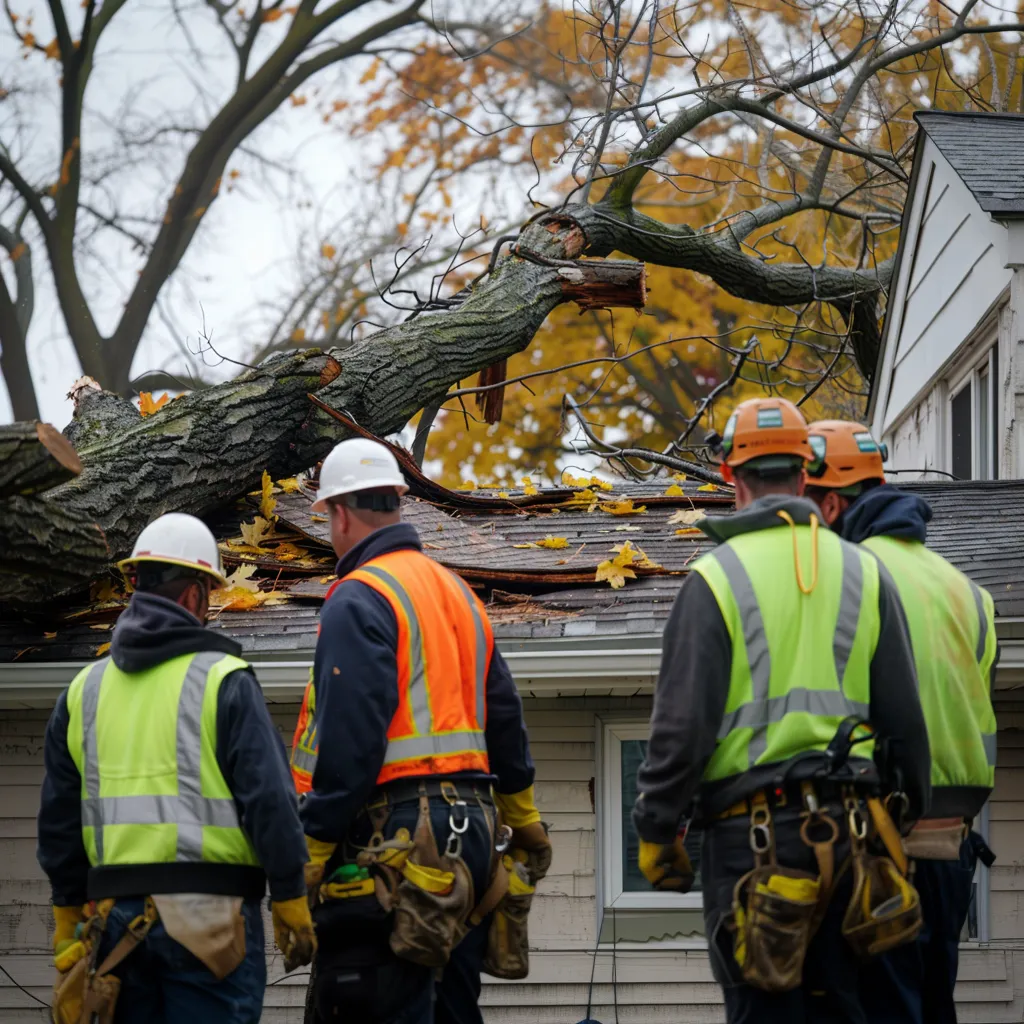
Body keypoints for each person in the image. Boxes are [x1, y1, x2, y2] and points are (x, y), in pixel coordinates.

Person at [632, 397, 931, 1024]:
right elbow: (906, 724)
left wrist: (658, 827)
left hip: (753, 847)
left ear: (728, 476)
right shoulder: (865, 572)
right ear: (806, 471)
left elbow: (681, 730)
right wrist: (901, 815)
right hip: (856, 841)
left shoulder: (713, 579)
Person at [292, 437, 547, 1024]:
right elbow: (504, 716)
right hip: (474, 837)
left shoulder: (359, 597)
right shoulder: (455, 592)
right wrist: (525, 818)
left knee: (371, 1000)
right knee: (450, 1005)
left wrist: (311, 846)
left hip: (398, 838)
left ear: (339, 512)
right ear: (397, 502)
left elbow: (352, 740)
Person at [38, 512, 315, 1023]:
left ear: (136, 586)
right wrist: (291, 894)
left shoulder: (83, 692)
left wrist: (65, 914)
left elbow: (58, 823)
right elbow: (271, 802)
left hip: (115, 927)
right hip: (210, 922)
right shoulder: (223, 680)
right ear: (193, 596)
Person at [804, 419, 998, 1024]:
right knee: (933, 1008)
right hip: (952, 849)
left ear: (831, 502)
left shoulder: (845, 579)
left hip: (875, 847)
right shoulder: (970, 594)